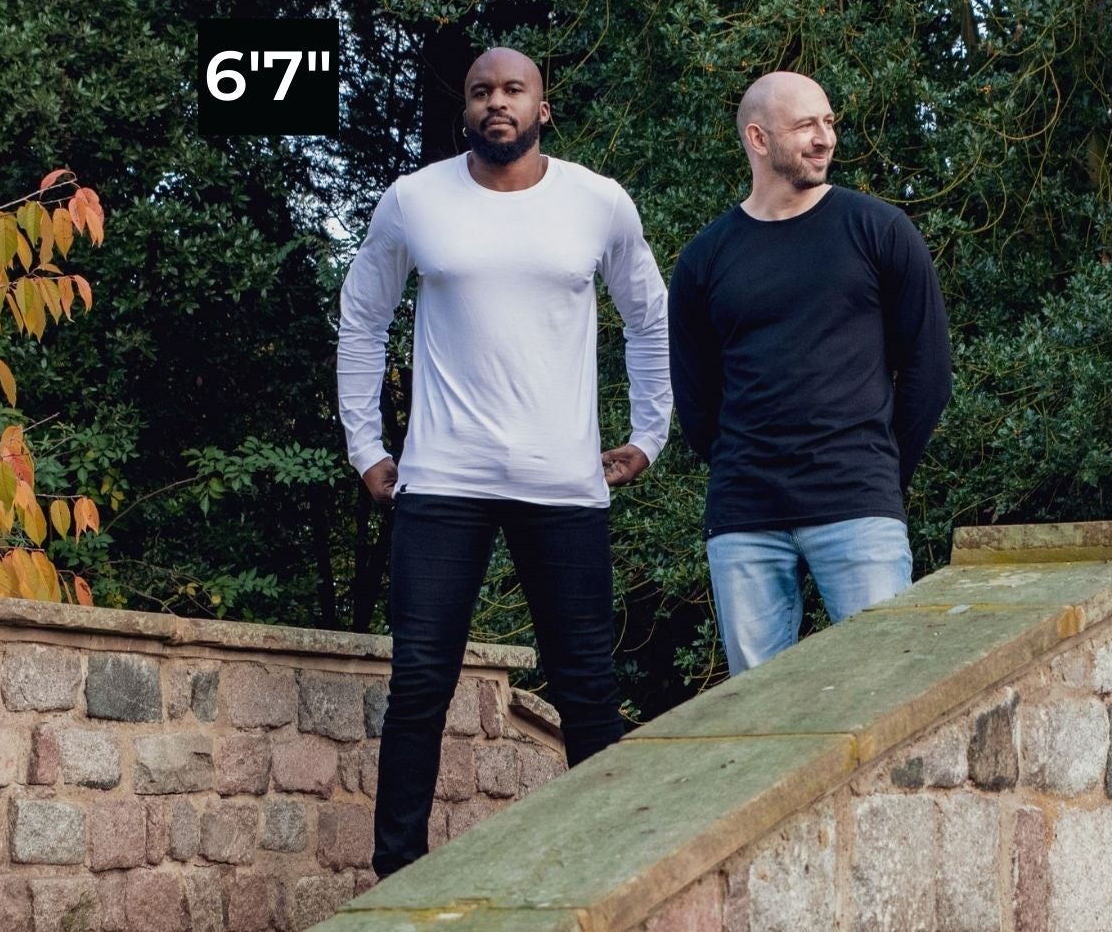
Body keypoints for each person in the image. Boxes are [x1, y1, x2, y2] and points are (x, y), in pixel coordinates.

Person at [334, 46, 665, 876]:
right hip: (443, 481)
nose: (497, 103)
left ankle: (618, 875)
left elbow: (650, 316)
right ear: (467, 109)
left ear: (541, 107)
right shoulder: (415, 200)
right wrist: (366, 445)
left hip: (563, 482)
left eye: (514, 90)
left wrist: (651, 433)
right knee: (419, 686)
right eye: (482, 90)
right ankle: (395, 880)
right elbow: (362, 318)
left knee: (587, 687)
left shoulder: (598, 202)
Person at [669, 71, 952, 674]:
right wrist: (743, 467)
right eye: (805, 125)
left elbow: (929, 371)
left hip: (858, 507)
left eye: (829, 122)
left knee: (884, 696)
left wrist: (875, 471)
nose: (824, 138)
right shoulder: (704, 259)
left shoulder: (879, 231)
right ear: (758, 138)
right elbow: (696, 403)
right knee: (757, 714)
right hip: (745, 517)